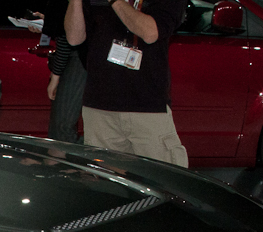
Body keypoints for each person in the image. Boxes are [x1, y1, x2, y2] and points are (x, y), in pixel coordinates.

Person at [70, 0, 189, 167]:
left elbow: (150, 32)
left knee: (162, 179)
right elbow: (74, 38)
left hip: (146, 105)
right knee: (106, 183)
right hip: (99, 105)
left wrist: (115, 1)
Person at [32, 0, 89, 144]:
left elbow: (66, 38)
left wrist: (55, 76)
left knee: (62, 125)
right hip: (79, 57)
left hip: (78, 58)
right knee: (62, 125)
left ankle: (62, 162)